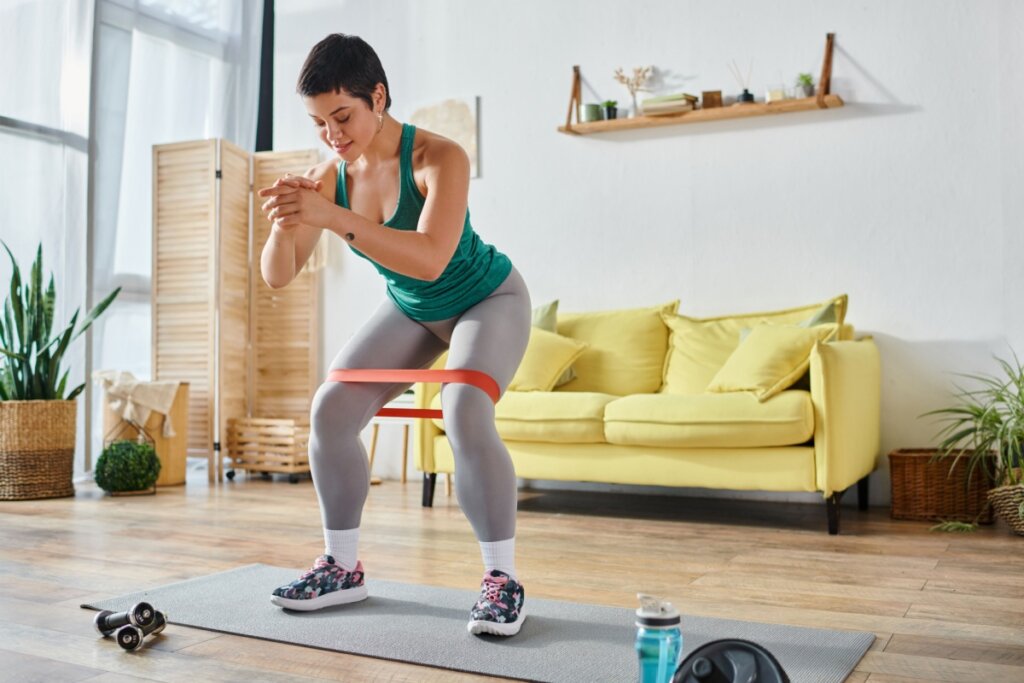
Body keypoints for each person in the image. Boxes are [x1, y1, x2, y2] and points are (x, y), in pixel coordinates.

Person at [256, 33, 531, 637]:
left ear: (377, 96)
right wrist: (286, 221)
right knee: (330, 410)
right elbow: (277, 276)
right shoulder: (331, 177)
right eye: (319, 123)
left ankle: (502, 581)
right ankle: (342, 567)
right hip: (413, 308)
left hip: (488, 298)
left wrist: (332, 217)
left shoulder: (439, 157)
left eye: (342, 116)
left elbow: (432, 258)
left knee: (461, 409)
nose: (332, 135)